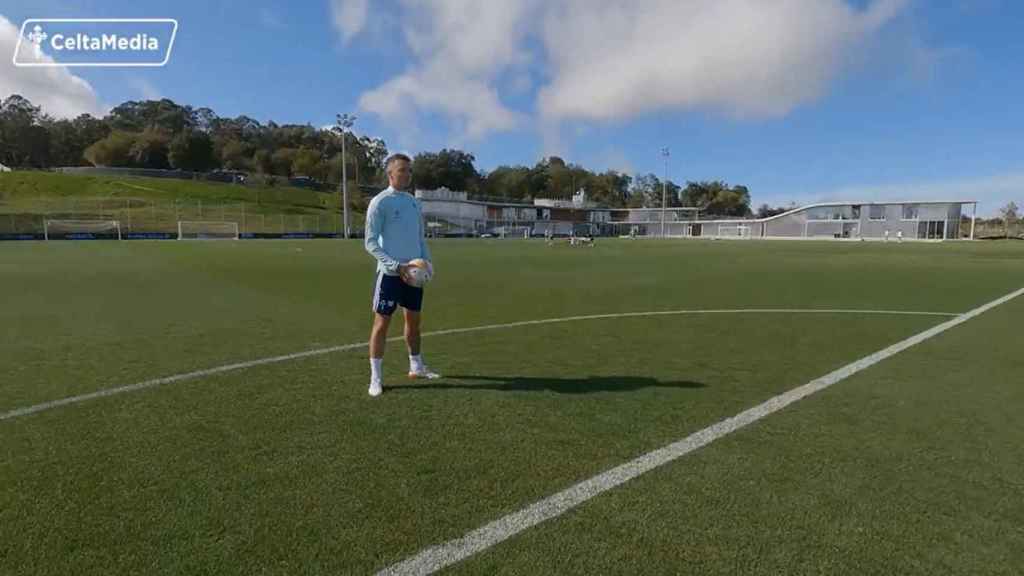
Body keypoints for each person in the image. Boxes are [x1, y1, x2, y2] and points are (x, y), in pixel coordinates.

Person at [364, 153, 440, 397]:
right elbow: (370, 243)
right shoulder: (380, 202)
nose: (407, 174)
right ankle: (375, 378)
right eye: (402, 170)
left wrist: (427, 262)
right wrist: (396, 266)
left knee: (414, 322)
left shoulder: (412, 202)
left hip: (414, 274)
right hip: (390, 274)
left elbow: (419, 238)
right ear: (390, 174)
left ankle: (416, 366)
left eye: (409, 170)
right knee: (381, 325)